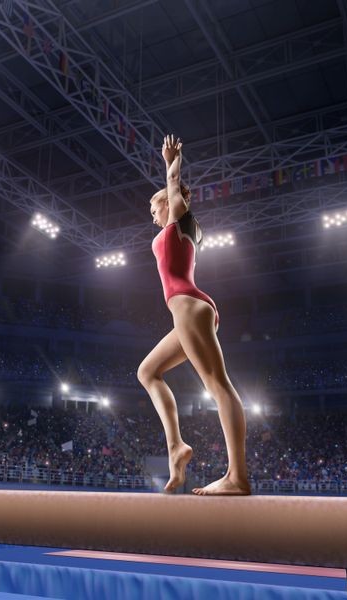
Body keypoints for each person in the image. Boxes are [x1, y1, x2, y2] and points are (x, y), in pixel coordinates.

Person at [136, 134, 251, 496]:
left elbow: (173, 186)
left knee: (219, 386)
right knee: (148, 372)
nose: (152, 217)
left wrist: (172, 160)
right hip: (187, 310)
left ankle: (237, 476)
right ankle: (176, 448)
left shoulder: (180, 221)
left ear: (170, 205)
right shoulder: (182, 229)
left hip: (189, 306)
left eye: (154, 210)